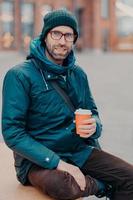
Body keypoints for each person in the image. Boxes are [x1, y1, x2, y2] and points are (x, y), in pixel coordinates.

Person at [2, 9, 133, 200]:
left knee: (130, 177)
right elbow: (12, 132)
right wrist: (57, 162)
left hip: (77, 151)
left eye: (68, 35)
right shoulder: (20, 75)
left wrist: (94, 126)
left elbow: (93, 113)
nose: (62, 41)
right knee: (64, 185)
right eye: (56, 34)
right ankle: (103, 187)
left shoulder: (78, 74)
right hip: (38, 160)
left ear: (74, 39)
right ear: (45, 36)